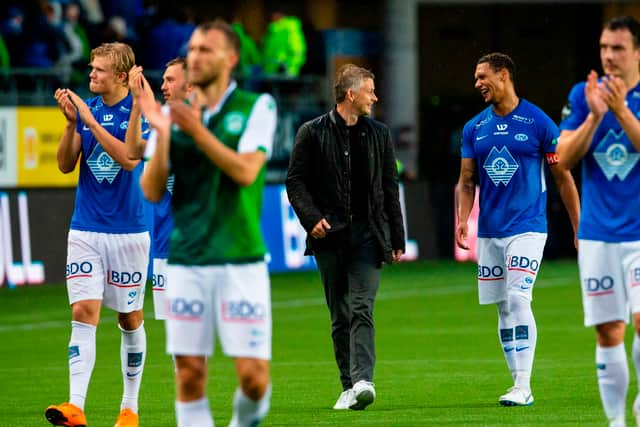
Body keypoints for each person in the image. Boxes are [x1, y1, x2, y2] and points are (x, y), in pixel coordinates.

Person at [136, 19, 277, 427]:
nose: (196, 56)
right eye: (193, 49)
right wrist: (163, 137)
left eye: (205, 50)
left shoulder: (256, 107)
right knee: (191, 375)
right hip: (187, 260)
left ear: (230, 59)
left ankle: (244, 420)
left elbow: (246, 172)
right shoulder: (172, 117)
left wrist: (195, 131)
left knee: (253, 381)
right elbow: (151, 188)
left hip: (240, 259)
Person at [455, 52, 580, 407]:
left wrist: (577, 227)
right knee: (502, 308)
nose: (477, 83)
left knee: (518, 298)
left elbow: (563, 177)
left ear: (504, 75)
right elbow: (466, 181)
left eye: (482, 76)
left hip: (528, 227)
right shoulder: (474, 128)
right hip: (490, 231)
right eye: (476, 77)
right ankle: (516, 383)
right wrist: (463, 220)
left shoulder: (538, 122)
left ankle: (524, 385)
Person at [285, 63, 406, 411]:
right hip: (329, 237)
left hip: (368, 235)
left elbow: (389, 187)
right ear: (351, 95)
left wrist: (396, 236)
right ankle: (347, 385)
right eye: (370, 90)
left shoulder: (379, 134)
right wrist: (311, 219)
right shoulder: (311, 132)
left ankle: (364, 380)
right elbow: (295, 182)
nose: (375, 97)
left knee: (361, 307)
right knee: (339, 315)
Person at [45, 42, 151, 427]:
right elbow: (63, 165)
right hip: (85, 228)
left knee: (129, 318)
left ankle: (129, 407)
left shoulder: (138, 111)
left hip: (128, 233)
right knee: (82, 311)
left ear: (121, 77)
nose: (90, 75)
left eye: (99, 70)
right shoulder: (86, 113)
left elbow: (128, 160)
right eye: (91, 68)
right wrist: (72, 123)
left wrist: (88, 119)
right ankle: (75, 407)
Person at [557, 15, 640, 427]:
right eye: (604, 48)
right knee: (609, 333)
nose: (608, 56)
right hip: (597, 235)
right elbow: (563, 159)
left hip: (639, 235)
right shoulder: (581, 94)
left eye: (618, 48)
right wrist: (593, 116)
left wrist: (621, 111)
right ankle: (616, 423)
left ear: (637, 52)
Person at [127, 57, 192, 322]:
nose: (163, 85)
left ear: (189, 86)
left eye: (170, 79)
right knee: (178, 337)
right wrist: (136, 105)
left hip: (197, 248)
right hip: (165, 246)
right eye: (163, 79)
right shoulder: (162, 125)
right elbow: (132, 150)